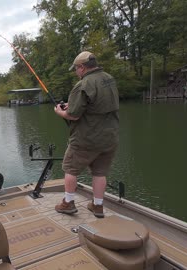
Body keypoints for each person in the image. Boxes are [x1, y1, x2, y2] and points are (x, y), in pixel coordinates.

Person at [54, 51, 119, 218]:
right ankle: (98, 206)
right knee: (100, 173)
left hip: (86, 139)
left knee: (70, 169)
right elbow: (97, 103)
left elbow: (73, 115)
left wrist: (60, 112)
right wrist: (73, 104)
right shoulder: (109, 79)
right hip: (109, 138)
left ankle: (68, 203)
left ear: (82, 67)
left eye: (76, 69)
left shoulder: (83, 84)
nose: (76, 72)